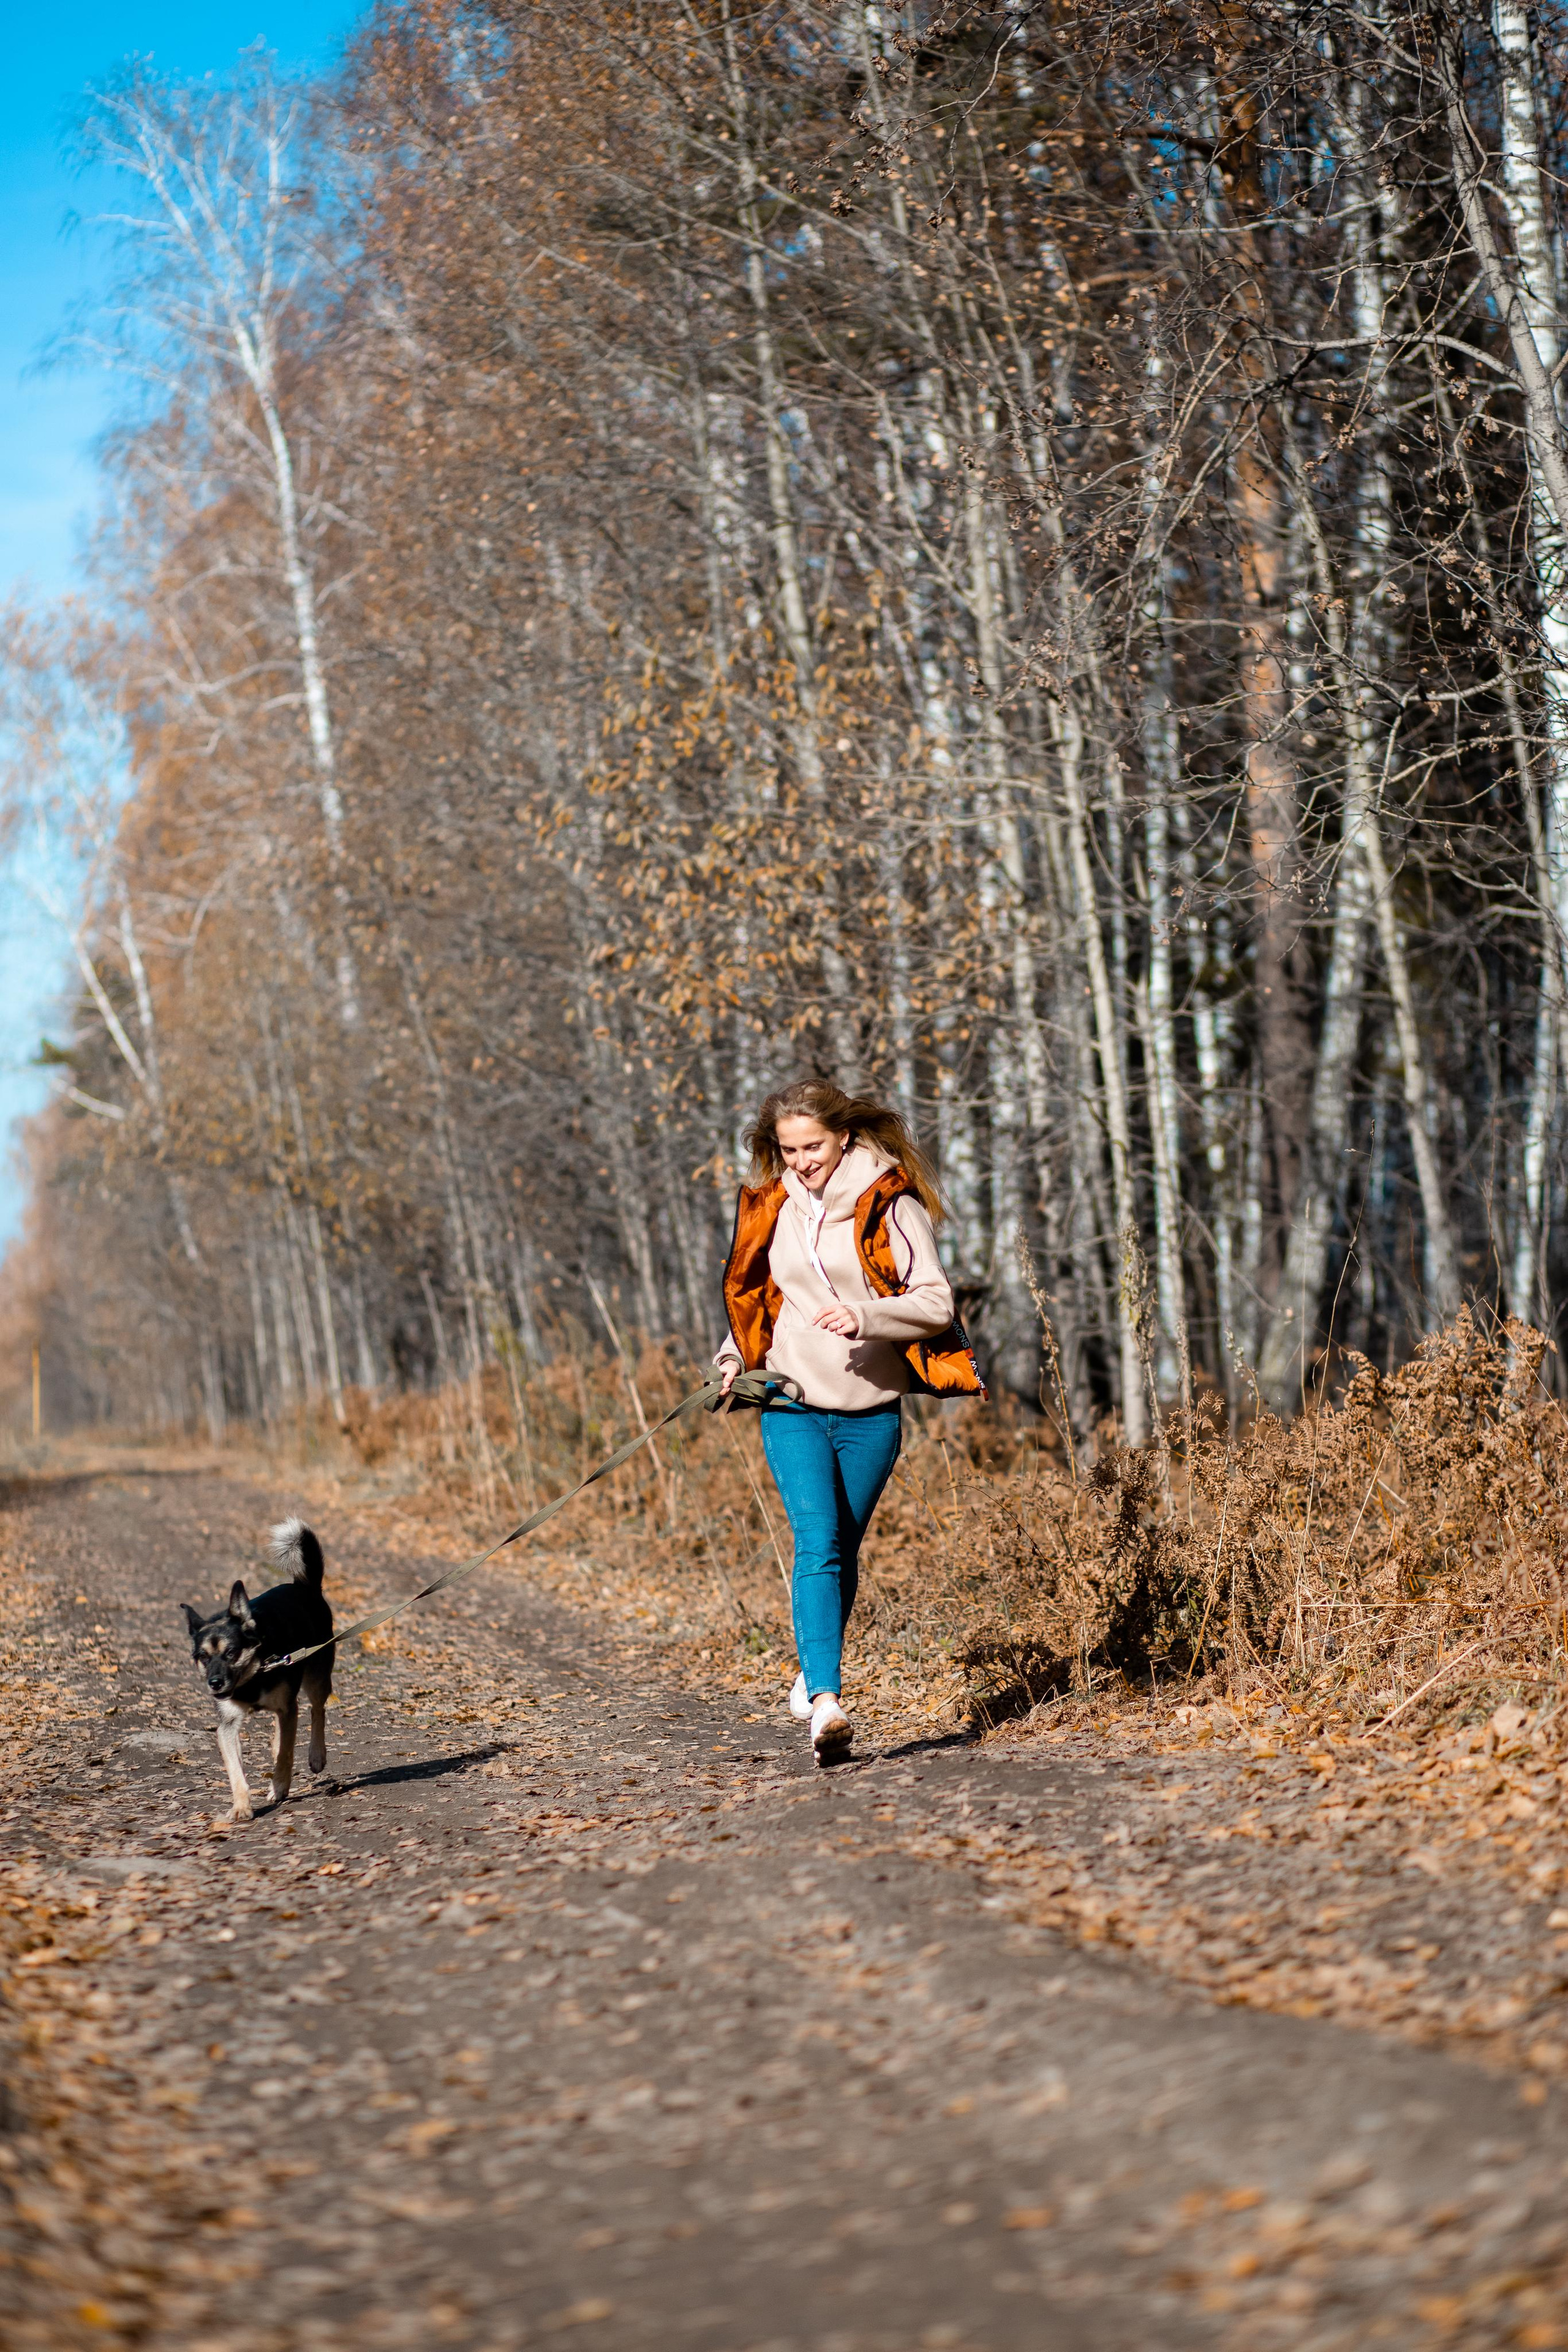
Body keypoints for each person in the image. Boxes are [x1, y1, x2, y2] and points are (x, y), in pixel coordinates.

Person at [717, 1079, 985, 1764]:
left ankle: (813, 1665)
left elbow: (934, 1303)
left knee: (843, 1546)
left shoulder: (889, 1205)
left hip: (870, 1410)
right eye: (788, 1149)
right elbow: (760, 1300)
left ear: (843, 1137)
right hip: (789, 1398)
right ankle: (828, 1703)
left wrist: (865, 1316)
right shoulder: (775, 1205)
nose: (801, 1161)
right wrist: (730, 1355)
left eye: (812, 1146)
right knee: (817, 1542)